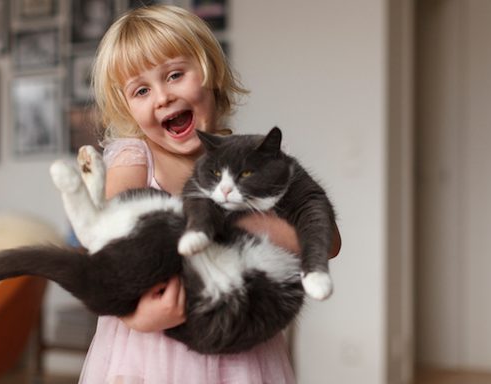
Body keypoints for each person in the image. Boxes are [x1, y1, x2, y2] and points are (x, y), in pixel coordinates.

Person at [80, 5, 341, 384]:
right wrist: (132, 315)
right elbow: (107, 248)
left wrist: (241, 225)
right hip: (152, 352)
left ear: (210, 73)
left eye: (174, 75)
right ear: (127, 107)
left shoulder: (245, 158)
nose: (163, 97)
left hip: (239, 346)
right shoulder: (134, 157)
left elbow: (328, 241)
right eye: (141, 90)